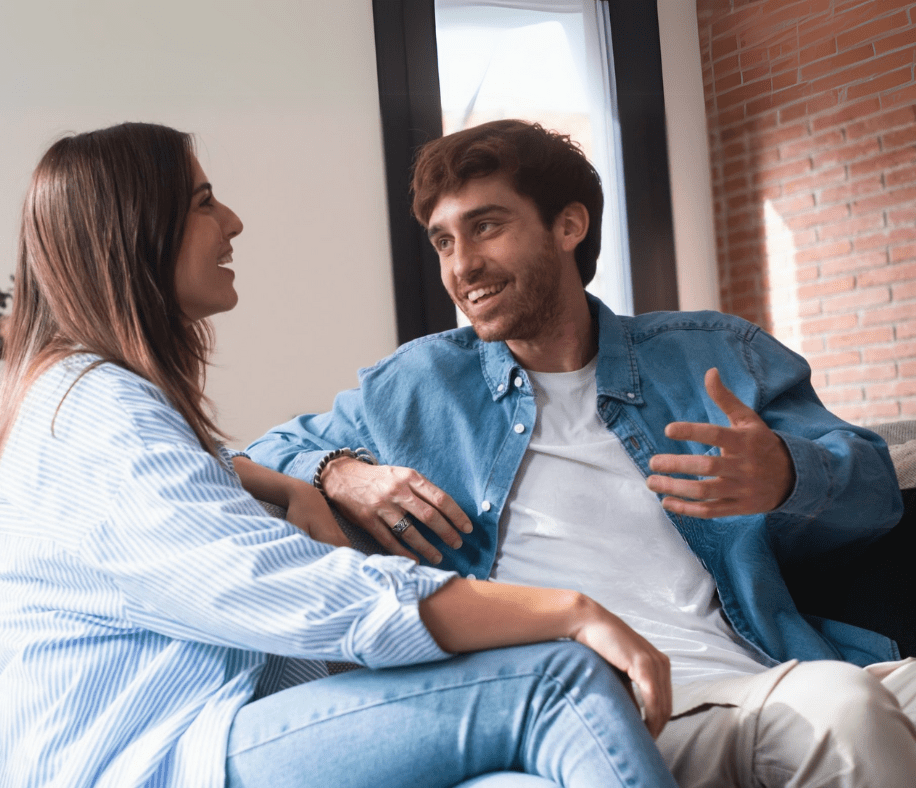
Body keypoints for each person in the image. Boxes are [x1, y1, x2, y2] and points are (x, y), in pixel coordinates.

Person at [0, 122, 681, 788]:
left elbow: (197, 491)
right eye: (202, 202)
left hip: (201, 735)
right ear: (132, 234)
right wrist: (568, 610)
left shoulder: (83, 401)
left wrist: (290, 487)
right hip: (152, 759)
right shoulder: (96, 416)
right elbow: (296, 591)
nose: (232, 221)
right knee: (555, 680)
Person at [247, 119, 916, 787]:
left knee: (861, 697)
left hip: (760, 669)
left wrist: (790, 475)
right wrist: (338, 471)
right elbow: (255, 456)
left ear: (568, 227)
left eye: (485, 227)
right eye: (443, 241)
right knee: (843, 710)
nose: (461, 266)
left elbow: (876, 496)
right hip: (603, 711)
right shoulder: (416, 386)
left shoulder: (713, 354)